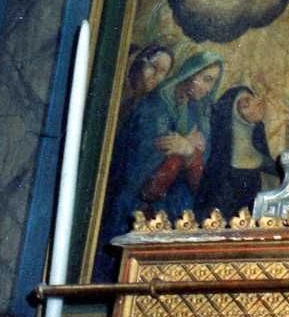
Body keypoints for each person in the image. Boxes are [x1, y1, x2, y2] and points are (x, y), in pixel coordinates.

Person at [98, 51, 222, 272]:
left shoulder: (199, 115)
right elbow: (141, 159)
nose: (206, 87)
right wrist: (183, 150)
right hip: (134, 204)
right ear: (190, 72)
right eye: (203, 78)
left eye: (211, 81)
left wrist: (188, 152)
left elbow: (201, 175)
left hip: (172, 208)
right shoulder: (156, 105)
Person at [195, 85, 279, 220]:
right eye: (245, 103)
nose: (256, 103)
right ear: (232, 114)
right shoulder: (219, 171)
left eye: (253, 99)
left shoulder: (262, 159)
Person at [120, 43, 174, 118]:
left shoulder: (154, 108)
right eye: (153, 66)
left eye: (162, 71)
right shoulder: (122, 89)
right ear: (141, 63)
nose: (156, 75)